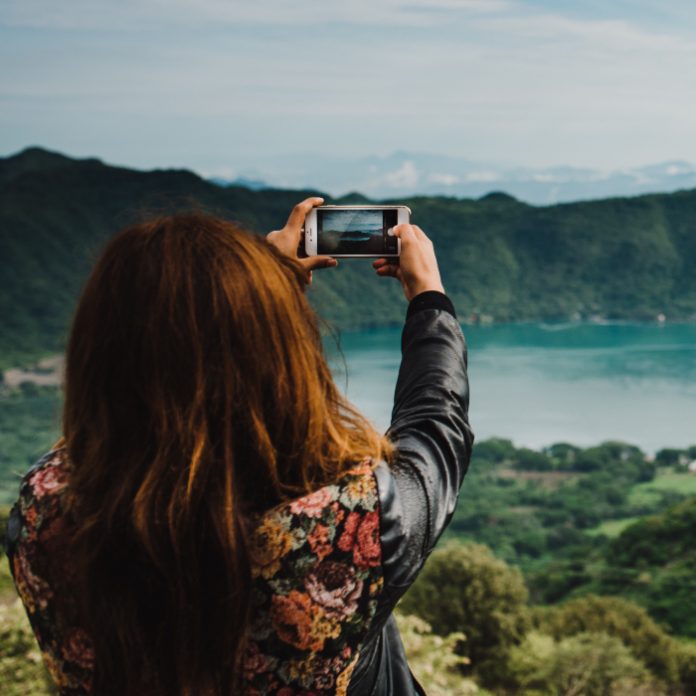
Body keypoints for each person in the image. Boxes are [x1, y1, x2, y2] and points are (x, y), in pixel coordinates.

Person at [6, 197, 473, 695]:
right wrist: (429, 299)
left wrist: (269, 286)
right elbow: (435, 429)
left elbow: (142, 407)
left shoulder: (43, 516)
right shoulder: (348, 528)